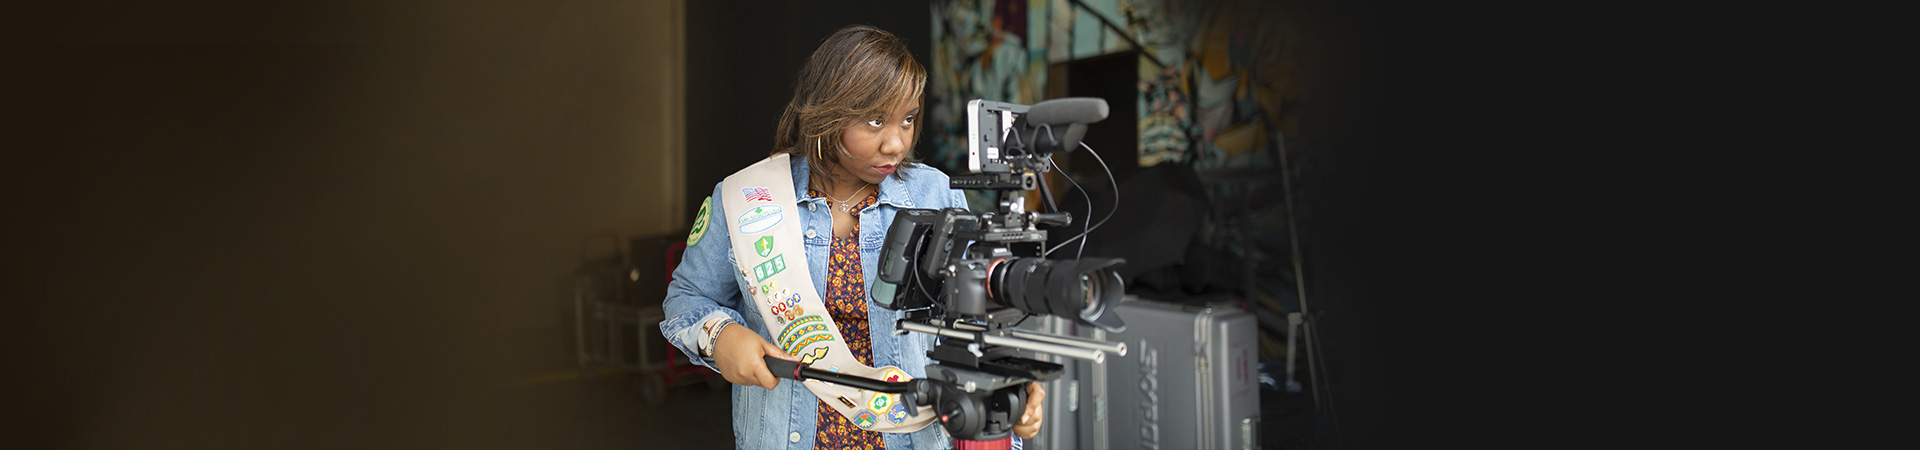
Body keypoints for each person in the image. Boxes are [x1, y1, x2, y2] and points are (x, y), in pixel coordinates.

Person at [660, 25, 1045, 449]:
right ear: (828, 113)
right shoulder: (745, 198)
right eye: (876, 121)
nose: (896, 143)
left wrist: (1013, 396)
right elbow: (687, 298)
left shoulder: (935, 193)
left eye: (909, 119)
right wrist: (719, 337)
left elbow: (979, 319)